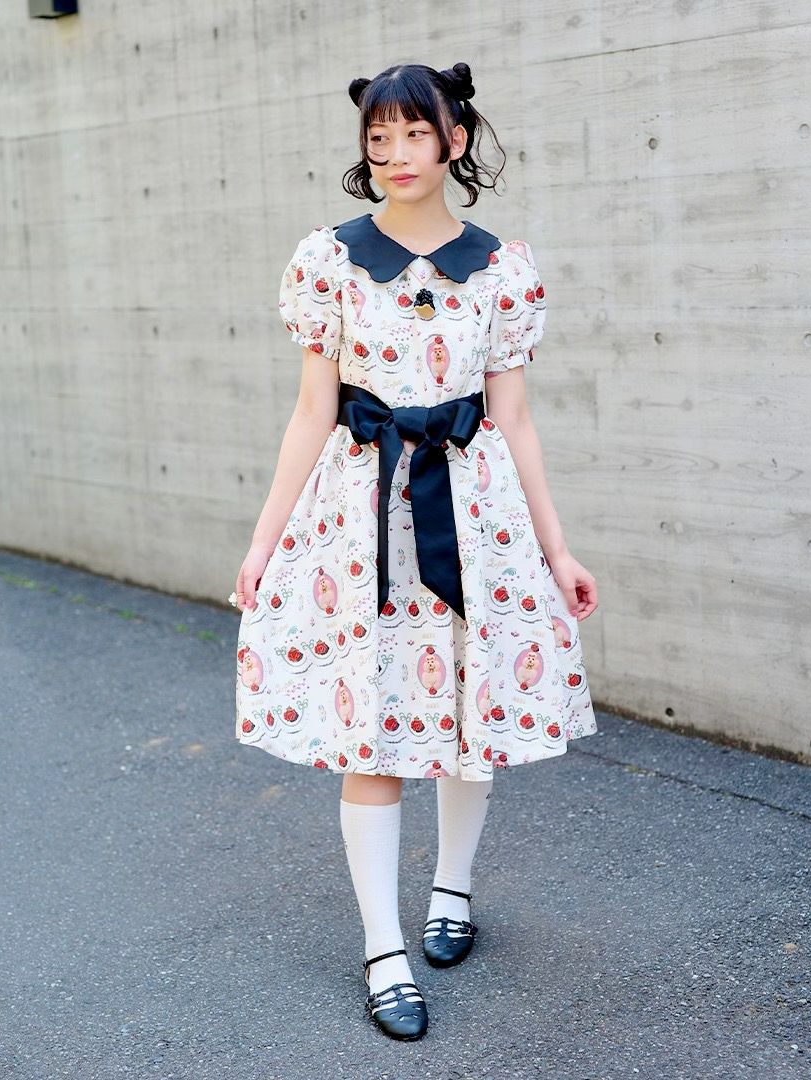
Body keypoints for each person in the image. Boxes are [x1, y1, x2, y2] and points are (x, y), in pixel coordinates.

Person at [231, 60, 599, 1042]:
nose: (395, 154)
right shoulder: (330, 260)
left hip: (476, 518)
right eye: (378, 138)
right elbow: (311, 412)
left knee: (471, 715)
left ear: (455, 141)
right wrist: (264, 542)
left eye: (415, 134)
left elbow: (515, 421)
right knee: (376, 728)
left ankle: (453, 892)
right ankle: (383, 951)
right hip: (363, 521)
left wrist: (558, 550)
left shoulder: (501, 268)